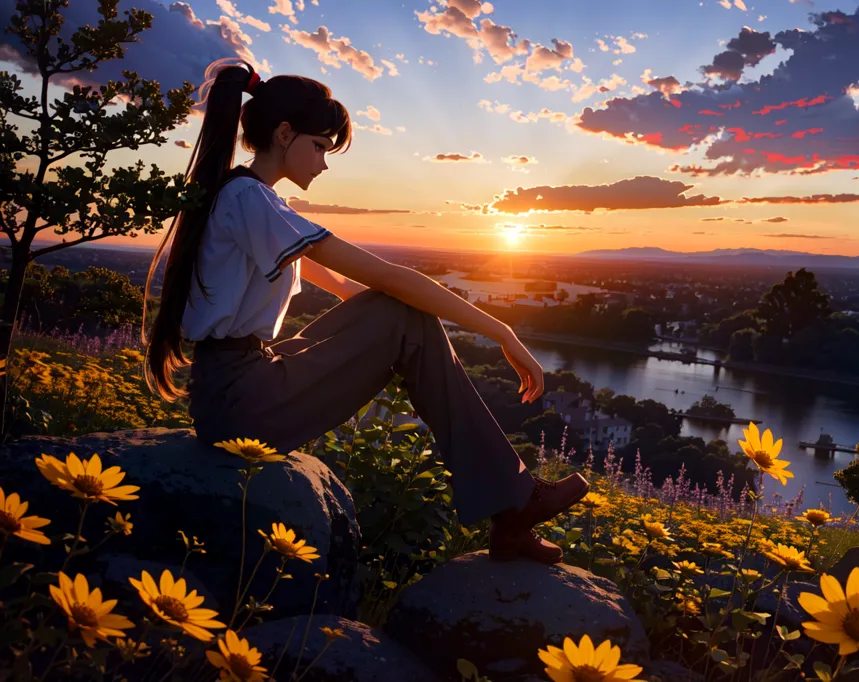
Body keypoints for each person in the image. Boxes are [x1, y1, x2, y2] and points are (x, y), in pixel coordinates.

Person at [140, 58, 589, 564]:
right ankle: (513, 504)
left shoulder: (245, 199)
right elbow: (391, 278)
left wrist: (394, 323)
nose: (324, 163)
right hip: (240, 398)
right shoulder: (252, 201)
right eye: (319, 147)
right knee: (404, 311)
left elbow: (348, 286)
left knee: (404, 315)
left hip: (237, 384)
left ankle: (511, 509)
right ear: (284, 134)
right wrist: (501, 330)